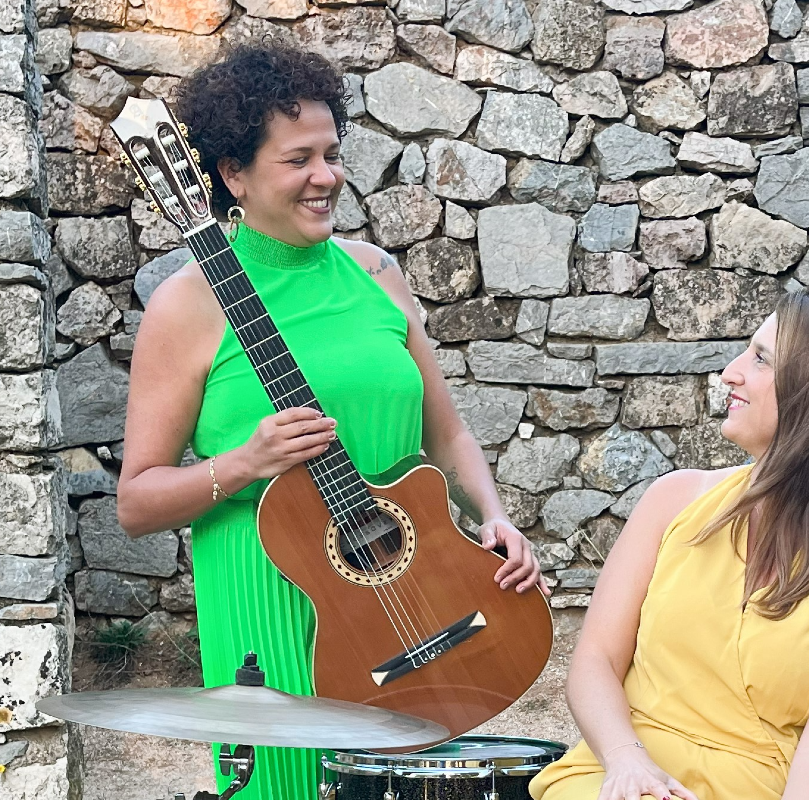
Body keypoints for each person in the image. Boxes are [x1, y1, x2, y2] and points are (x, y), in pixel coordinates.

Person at [112, 42, 543, 800]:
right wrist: (243, 463)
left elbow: (448, 435)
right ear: (231, 175)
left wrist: (497, 517)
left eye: (333, 155)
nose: (326, 177)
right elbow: (137, 501)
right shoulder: (185, 306)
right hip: (269, 590)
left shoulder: (378, 273)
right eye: (298, 160)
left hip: (413, 589)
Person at [531, 289, 809, 800]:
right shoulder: (673, 498)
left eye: (761, 359)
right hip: (615, 777)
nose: (730, 372)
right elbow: (594, 661)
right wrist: (626, 763)